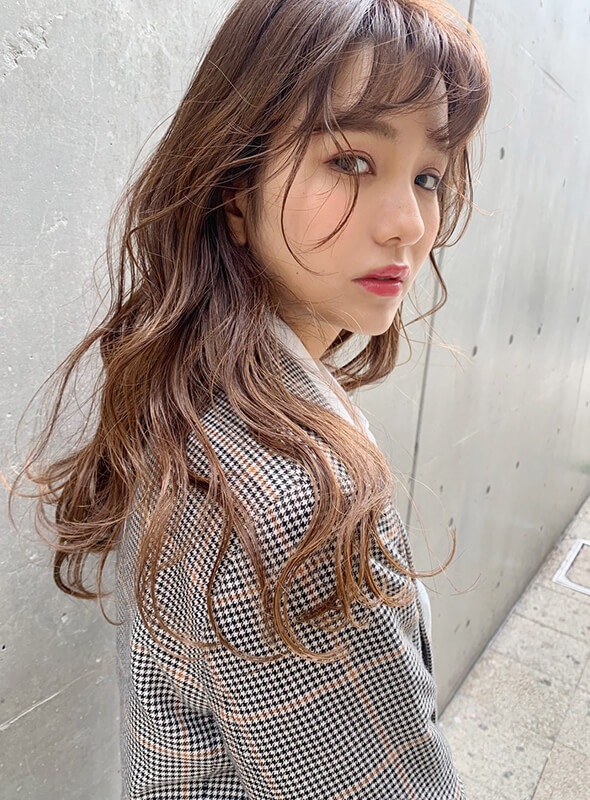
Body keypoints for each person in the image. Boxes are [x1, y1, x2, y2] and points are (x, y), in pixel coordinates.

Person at [9, 0, 491, 796]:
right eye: (351, 161)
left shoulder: (197, 382)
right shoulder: (295, 510)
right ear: (236, 188)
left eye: (428, 176)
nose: (409, 223)